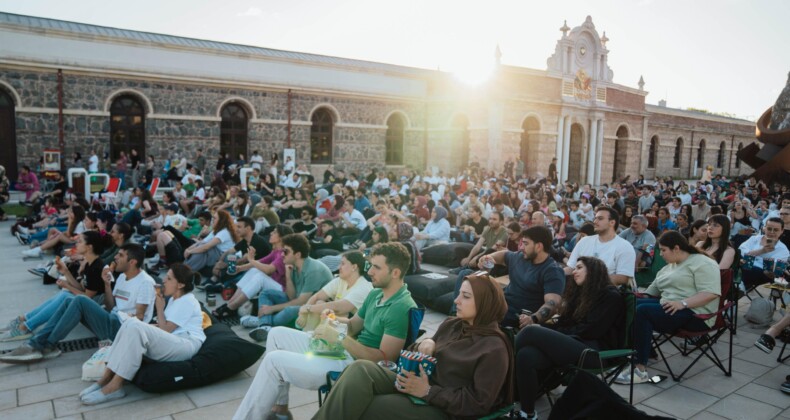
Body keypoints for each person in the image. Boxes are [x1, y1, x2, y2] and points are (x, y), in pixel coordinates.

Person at [232, 242, 417, 420]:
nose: (369, 271)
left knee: (273, 361)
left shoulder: (401, 307)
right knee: (276, 333)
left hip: (354, 368)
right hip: (342, 351)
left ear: (395, 272)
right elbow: (353, 324)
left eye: (376, 267)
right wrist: (334, 320)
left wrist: (340, 337)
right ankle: (280, 407)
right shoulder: (376, 294)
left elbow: (383, 360)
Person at [314, 272, 514, 420]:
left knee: (369, 406)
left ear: (485, 303)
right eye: (459, 294)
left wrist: (428, 391)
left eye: (466, 297)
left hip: (443, 409)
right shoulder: (453, 324)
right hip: (413, 383)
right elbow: (409, 353)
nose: (456, 300)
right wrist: (424, 343)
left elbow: (479, 403)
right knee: (360, 369)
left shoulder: (494, 348)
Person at [1, 244, 155, 363]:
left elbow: (140, 318)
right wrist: (107, 285)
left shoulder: (145, 283)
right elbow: (110, 306)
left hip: (123, 330)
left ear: (132, 261)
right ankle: (42, 343)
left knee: (80, 300)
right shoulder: (122, 277)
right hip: (112, 320)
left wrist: (120, 315)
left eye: (120, 255)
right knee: (69, 299)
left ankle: (41, 345)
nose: (115, 257)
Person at [515, 256, 624, 420]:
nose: (574, 271)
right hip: (574, 345)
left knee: (530, 331)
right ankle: (527, 414)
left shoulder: (610, 296)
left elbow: (591, 331)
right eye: (575, 268)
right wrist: (549, 332)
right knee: (526, 356)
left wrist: (548, 334)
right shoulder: (581, 294)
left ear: (593, 271)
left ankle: (500, 380)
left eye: (579, 267)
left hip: (595, 353)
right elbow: (563, 324)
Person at [79, 263, 206, 405]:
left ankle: (115, 386)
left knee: (135, 326)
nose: (164, 280)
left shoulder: (187, 301)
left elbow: (166, 329)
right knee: (130, 323)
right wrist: (142, 324)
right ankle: (105, 378)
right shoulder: (174, 299)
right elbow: (163, 326)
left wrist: (159, 308)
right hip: (174, 340)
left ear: (180, 285)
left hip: (186, 345)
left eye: (169, 278)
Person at [616, 231, 720, 384]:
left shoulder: (702, 262)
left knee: (643, 311)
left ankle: (640, 369)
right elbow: (650, 294)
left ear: (676, 248)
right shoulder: (668, 268)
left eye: (663, 250)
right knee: (631, 304)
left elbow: (711, 293)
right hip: (670, 307)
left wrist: (682, 303)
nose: (661, 254)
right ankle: (633, 352)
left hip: (696, 314)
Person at [1, 231, 113, 341]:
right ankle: (25, 319)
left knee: (66, 295)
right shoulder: (90, 263)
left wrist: (68, 286)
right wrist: (66, 272)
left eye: (80, 241)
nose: (76, 244)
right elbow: (82, 289)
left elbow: (87, 298)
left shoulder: (96, 268)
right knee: (64, 293)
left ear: (89, 247)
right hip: (88, 301)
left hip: (96, 308)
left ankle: (26, 327)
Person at [463, 225, 565, 328]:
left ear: (538, 246)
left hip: (517, 315)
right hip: (501, 303)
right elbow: (504, 255)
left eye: (525, 244)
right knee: (466, 274)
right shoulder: (521, 257)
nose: (521, 247)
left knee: (473, 312)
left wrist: (534, 318)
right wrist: (487, 258)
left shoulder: (552, 270)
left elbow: (553, 303)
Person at [246, 233, 333, 340]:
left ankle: (261, 322)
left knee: (289, 310)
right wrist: (288, 276)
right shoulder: (293, 266)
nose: (282, 254)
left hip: (315, 308)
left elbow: (302, 302)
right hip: (301, 303)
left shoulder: (314, 270)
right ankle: (265, 326)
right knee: (266, 293)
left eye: (286, 251)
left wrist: (271, 309)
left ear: (297, 255)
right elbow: (291, 297)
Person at [213, 224, 293, 319]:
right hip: (276, 285)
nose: (271, 233)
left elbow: (268, 270)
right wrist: (240, 268)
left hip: (284, 292)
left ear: (282, 238)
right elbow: (260, 262)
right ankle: (230, 304)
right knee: (255, 270)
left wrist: (251, 260)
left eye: (275, 232)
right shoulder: (276, 251)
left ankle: (231, 308)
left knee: (260, 277)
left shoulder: (282, 255)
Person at [294, 251, 373, 331]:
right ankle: (308, 336)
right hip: (336, 322)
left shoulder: (364, 287)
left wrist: (307, 308)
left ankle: (308, 337)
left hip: (352, 330)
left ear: (354, 267)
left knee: (322, 308)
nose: (339, 267)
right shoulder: (340, 280)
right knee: (319, 303)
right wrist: (303, 313)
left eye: (343, 264)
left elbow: (339, 307)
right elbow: (317, 296)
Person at [566, 207, 636, 286]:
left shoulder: (625, 246)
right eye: (595, 218)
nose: (595, 221)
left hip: (606, 294)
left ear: (612, 222)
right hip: (579, 292)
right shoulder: (584, 241)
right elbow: (571, 268)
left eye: (600, 218)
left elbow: (623, 278)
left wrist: (591, 280)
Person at [738, 217, 789, 291]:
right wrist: (761, 251)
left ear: (782, 231)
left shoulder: (783, 250)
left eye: (776, 230)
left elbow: (770, 270)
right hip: (743, 266)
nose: (771, 232)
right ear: (764, 228)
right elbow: (740, 250)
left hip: (759, 273)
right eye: (769, 229)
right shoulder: (754, 239)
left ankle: (739, 287)